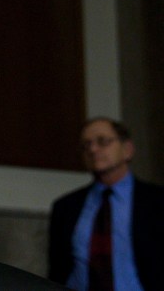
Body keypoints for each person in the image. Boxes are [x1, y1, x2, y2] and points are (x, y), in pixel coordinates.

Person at [47, 117, 164, 290]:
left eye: (103, 141)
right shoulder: (65, 207)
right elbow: (57, 271)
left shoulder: (157, 201)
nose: (93, 149)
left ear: (127, 149)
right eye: (86, 145)